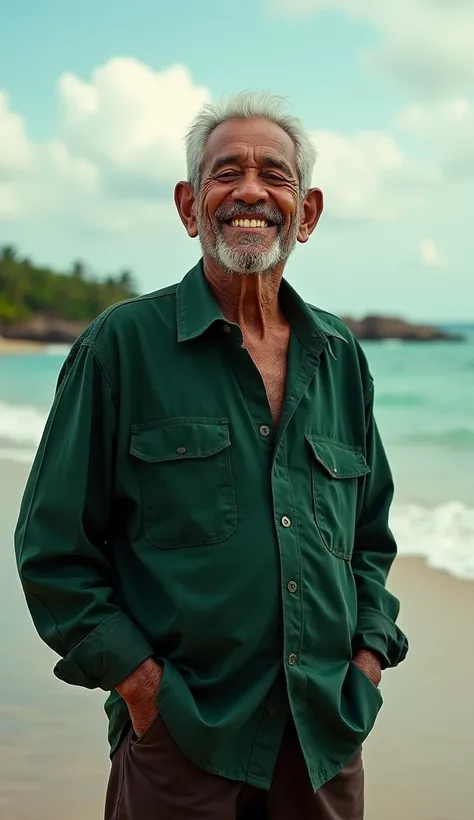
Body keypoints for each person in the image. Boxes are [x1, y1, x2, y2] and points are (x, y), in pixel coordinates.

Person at [14, 91, 408, 819]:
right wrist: (141, 687)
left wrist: (368, 660)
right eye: (226, 173)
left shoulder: (341, 357)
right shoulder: (121, 347)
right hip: (183, 744)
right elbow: (52, 549)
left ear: (309, 212)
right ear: (190, 206)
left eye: (275, 175)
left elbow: (371, 537)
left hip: (325, 739)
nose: (251, 190)